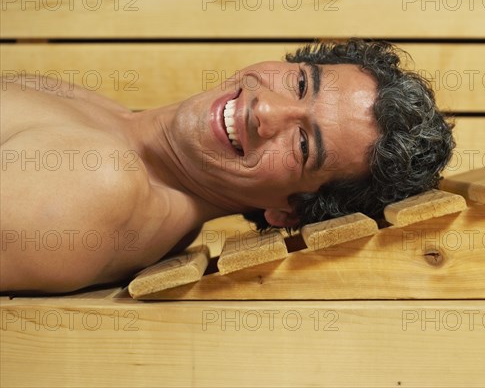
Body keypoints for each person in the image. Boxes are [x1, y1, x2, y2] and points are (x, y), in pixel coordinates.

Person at [0, 39, 454, 293]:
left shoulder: (96, 183)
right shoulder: (119, 130)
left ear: (288, 212)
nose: (266, 112)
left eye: (301, 145)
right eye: (300, 83)